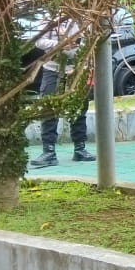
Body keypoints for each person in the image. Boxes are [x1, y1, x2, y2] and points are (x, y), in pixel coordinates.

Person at [30, 20, 95, 167]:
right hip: (52, 68)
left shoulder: (82, 18)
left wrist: (79, 51)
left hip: (78, 68)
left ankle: (80, 148)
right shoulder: (50, 18)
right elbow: (39, 41)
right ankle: (49, 152)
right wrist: (60, 45)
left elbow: (90, 41)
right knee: (48, 108)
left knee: (79, 108)